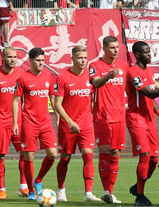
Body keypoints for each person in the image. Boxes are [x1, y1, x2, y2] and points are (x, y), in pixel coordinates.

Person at [53, 45, 101, 203]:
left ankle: (88, 193)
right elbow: (58, 104)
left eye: (85, 58)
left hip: (86, 124)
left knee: (88, 155)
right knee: (65, 157)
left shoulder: (90, 77)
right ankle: (61, 190)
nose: (83, 61)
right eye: (80, 58)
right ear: (72, 58)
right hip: (68, 125)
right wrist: (69, 121)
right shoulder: (63, 77)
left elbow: (93, 100)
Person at [13, 47, 59, 201]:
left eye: (43, 61)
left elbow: (53, 99)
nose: (41, 63)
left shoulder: (48, 77)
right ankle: (32, 192)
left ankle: (38, 180)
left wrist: (58, 116)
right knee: (29, 156)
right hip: (28, 123)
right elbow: (16, 101)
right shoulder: (22, 78)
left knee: (52, 154)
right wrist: (15, 122)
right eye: (38, 61)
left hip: (46, 122)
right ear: (30, 61)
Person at [125, 41, 159, 207]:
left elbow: (153, 100)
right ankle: (140, 196)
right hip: (136, 119)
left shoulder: (149, 71)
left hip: (149, 119)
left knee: (155, 159)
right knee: (145, 156)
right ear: (137, 54)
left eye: (150, 52)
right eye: (147, 52)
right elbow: (149, 93)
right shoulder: (133, 72)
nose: (150, 54)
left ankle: (138, 187)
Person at [89, 35, 130, 204]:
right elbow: (96, 83)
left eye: (117, 47)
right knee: (105, 151)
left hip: (120, 116)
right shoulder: (95, 65)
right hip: (102, 116)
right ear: (104, 48)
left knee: (116, 152)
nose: (115, 50)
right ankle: (106, 190)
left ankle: (110, 192)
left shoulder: (123, 66)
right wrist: (108, 76)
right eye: (112, 48)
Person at [0, 46, 26, 199]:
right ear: (3, 58)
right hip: (0, 123)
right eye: (9, 57)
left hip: (18, 122)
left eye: (15, 57)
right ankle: (2, 189)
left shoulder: (21, 75)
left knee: (25, 153)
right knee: (0, 156)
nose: (13, 59)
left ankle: (24, 186)